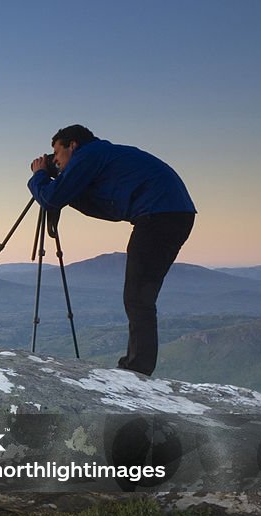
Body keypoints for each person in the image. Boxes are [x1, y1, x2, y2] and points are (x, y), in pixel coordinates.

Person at [28, 124, 196, 376]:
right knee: (140, 295)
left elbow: (52, 198)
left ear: (72, 145)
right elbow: (95, 204)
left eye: (57, 153)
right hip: (171, 213)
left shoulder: (89, 155)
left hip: (159, 215)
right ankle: (138, 365)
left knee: (138, 296)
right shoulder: (101, 156)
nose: (56, 161)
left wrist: (39, 177)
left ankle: (137, 369)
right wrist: (60, 180)